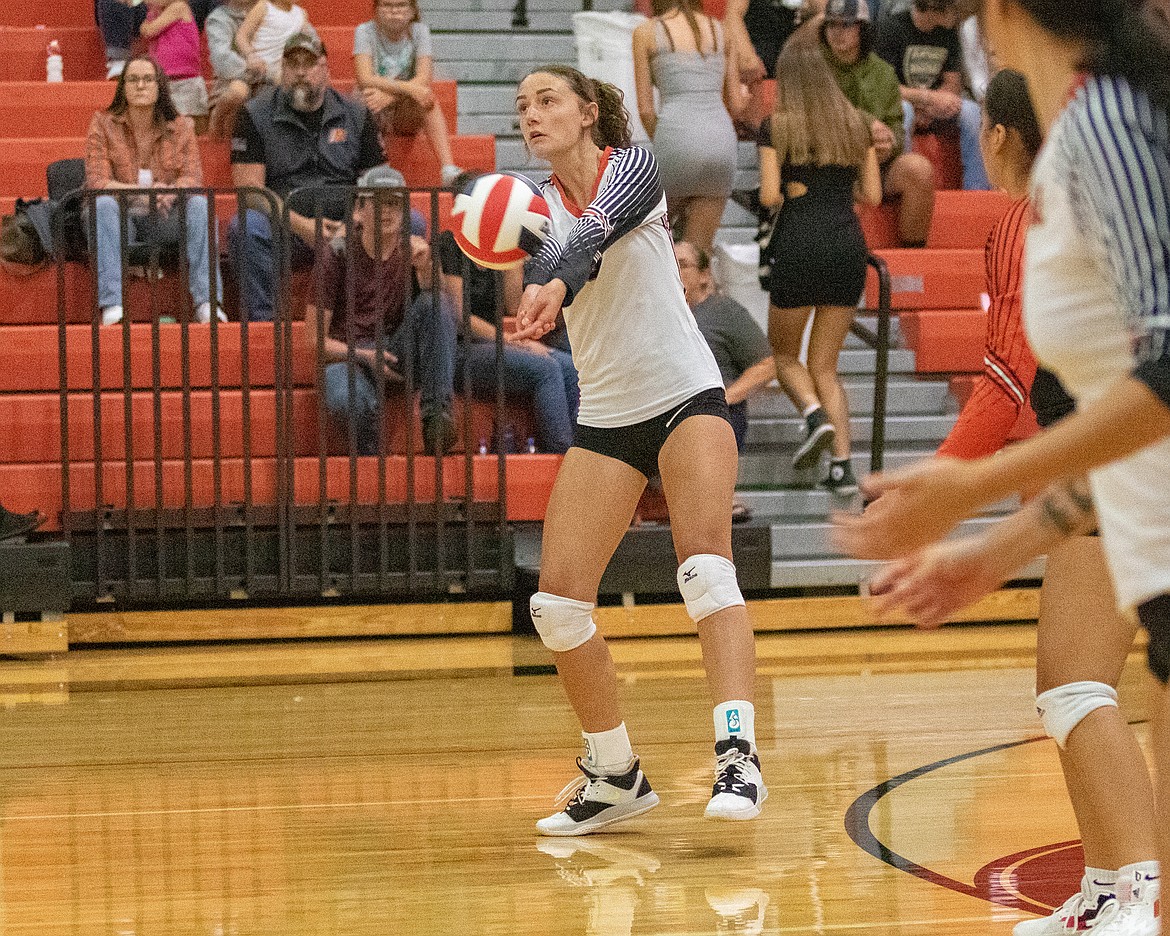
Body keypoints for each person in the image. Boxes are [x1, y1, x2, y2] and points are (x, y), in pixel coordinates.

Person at [834, 0, 1170, 932]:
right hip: (1141, 538)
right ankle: (1120, 892)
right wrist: (995, 543)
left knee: (1072, 686)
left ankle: (1124, 894)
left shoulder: (1107, 129)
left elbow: (1167, 372)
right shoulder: (1098, 132)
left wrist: (971, 491)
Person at [512, 64, 766, 835]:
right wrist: (540, 276)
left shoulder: (637, 167)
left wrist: (557, 277)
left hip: (686, 394)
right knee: (557, 607)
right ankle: (615, 773)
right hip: (610, 416)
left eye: (548, 100)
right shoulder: (536, 211)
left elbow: (594, 235)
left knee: (705, 569)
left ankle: (737, 756)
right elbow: (552, 254)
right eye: (522, 106)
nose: (531, 114)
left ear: (590, 112)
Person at [758, 37, 880, 495]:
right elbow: (873, 195)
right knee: (826, 365)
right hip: (848, 244)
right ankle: (842, 467)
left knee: (785, 356)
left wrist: (791, 191)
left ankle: (813, 416)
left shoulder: (776, 127)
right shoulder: (859, 124)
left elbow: (770, 195)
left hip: (799, 243)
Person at [229, 34, 385, 323]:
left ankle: (382, 320)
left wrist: (353, 223)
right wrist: (302, 227)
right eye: (292, 64)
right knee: (246, 227)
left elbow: (377, 182)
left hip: (351, 223)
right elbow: (250, 191)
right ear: (282, 68)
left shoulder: (356, 114)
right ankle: (263, 323)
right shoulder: (255, 114)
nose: (300, 72)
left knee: (410, 222)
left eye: (309, 63)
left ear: (326, 69)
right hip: (286, 225)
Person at [304, 166, 457, 455]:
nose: (386, 212)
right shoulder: (336, 253)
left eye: (394, 204)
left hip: (396, 348)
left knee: (435, 302)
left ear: (404, 213)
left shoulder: (411, 250)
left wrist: (426, 268)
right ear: (359, 210)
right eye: (377, 203)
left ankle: (437, 418)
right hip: (349, 355)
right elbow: (314, 340)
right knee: (346, 399)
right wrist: (364, 356)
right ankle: (373, 465)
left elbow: (440, 314)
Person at [936, 68, 1038, 460]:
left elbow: (1003, 387)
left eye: (980, 125)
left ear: (997, 137)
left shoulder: (1025, 223)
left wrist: (920, 498)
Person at [434, 183, 579, 454]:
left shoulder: (496, 243)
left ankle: (582, 452)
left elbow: (513, 306)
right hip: (457, 352)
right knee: (546, 369)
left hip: (492, 345)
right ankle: (562, 453)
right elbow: (460, 317)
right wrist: (510, 340)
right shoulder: (449, 243)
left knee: (570, 367)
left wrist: (514, 254)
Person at [85, 55, 224, 327]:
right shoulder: (103, 124)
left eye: (147, 79)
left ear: (160, 86)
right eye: (133, 80)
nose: (140, 86)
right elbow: (98, 182)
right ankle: (112, 304)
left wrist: (169, 193)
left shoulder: (181, 126)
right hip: (120, 217)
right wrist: (145, 193)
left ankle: (208, 303)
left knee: (198, 206)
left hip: (163, 217)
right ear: (122, 87)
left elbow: (192, 178)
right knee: (102, 205)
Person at [819, 0, 935, 246]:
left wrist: (888, 143)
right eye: (831, 25)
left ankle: (912, 259)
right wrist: (867, 125)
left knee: (919, 170)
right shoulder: (814, 68)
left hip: (877, 163)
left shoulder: (883, 72)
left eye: (846, 25)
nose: (837, 32)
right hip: (830, 163)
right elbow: (819, 116)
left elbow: (895, 127)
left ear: (863, 28)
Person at [674, 240, 775, 521]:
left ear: (705, 275)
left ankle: (719, 499)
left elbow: (767, 365)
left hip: (714, 411)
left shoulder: (725, 312)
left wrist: (724, 397)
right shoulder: (656, 313)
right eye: (669, 264)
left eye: (683, 265)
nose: (674, 271)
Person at [632, 0, 745, 251]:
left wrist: (665, 140)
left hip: (675, 139)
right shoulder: (722, 30)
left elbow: (645, 109)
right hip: (721, 142)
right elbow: (736, 104)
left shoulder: (645, 33)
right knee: (698, 253)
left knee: (653, 245)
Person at [874, 0, 989, 191]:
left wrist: (935, 104)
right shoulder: (892, 28)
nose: (957, 16)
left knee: (972, 112)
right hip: (903, 103)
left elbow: (952, 82)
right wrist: (927, 99)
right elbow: (885, 88)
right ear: (936, 10)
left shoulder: (948, 31)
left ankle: (977, 190)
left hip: (935, 107)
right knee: (905, 111)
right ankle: (900, 182)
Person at [354, 0, 463, 187]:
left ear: (412, 10)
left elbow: (423, 78)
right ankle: (367, 168)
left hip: (402, 107)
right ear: (376, 10)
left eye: (401, 5)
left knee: (427, 99)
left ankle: (448, 169)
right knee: (364, 97)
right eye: (387, 6)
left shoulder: (420, 31)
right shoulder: (365, 31)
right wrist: (407, 89)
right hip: (375, 102)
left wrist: (391, 96)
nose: (394, 11)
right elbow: (364, 78)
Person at [207, 0, 306, 139]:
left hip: (269, 81)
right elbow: (223, 60)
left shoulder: (279, 11)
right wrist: (263, 72)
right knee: (238, 96)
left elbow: (307, 40)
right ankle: (225, 144)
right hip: (234, 81)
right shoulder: (220, 18)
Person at [139, 0, 210, 134]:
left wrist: (147, 24)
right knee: (167, 124)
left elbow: (149, 30)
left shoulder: (178, 7)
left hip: (186, 78)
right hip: (163, 79)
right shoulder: (153, 14)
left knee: (192, 122)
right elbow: (145, 29)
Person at [235, 0, 314, 85]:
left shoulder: (302, 14)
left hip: (283, 71)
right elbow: (241, 36)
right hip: (258, 69)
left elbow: (305, 43)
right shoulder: (264, 7)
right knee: (237, 91)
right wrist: (250, 56)